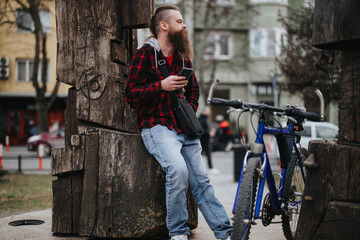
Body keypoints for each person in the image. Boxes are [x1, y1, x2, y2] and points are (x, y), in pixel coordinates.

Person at [125, 5, 232, 240]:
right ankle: (178, 233)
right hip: (157, 126)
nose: (184, 26)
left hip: (185, 129)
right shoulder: (145, 53)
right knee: (178, 170)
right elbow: (130, 92)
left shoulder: (183, 56)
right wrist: (160, 86)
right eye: (179, 21)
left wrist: (189, 113)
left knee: (202, 182)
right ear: (164, 25)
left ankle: (225, 233)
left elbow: (194, 90)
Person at [198, 106, 219, 173]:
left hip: (205, 139)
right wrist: (209, 132)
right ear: (204, 111)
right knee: (201, 154)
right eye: (208, 110)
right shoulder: (201, 118)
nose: (210, 112)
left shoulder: (205, 118)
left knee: (205, 154)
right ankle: (209, 168)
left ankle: (210, 168)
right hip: (203, 140)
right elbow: (200, 129)